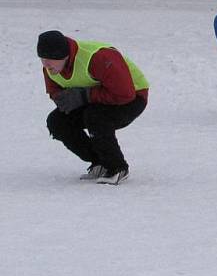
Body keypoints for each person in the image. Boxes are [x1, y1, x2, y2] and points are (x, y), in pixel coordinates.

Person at [37, 30, 149, 184]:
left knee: (95, 116)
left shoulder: (98, 57)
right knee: (57, 122)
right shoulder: (51, 68)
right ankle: (99, 162)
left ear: (65, 55)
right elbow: (55, 92)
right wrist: (64, 100)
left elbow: (125, 94)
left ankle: (117, 167)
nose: (46, 64)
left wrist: (85, 96)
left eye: (51, 59)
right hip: (95, 101)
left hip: (133, 97)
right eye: (42, 59)